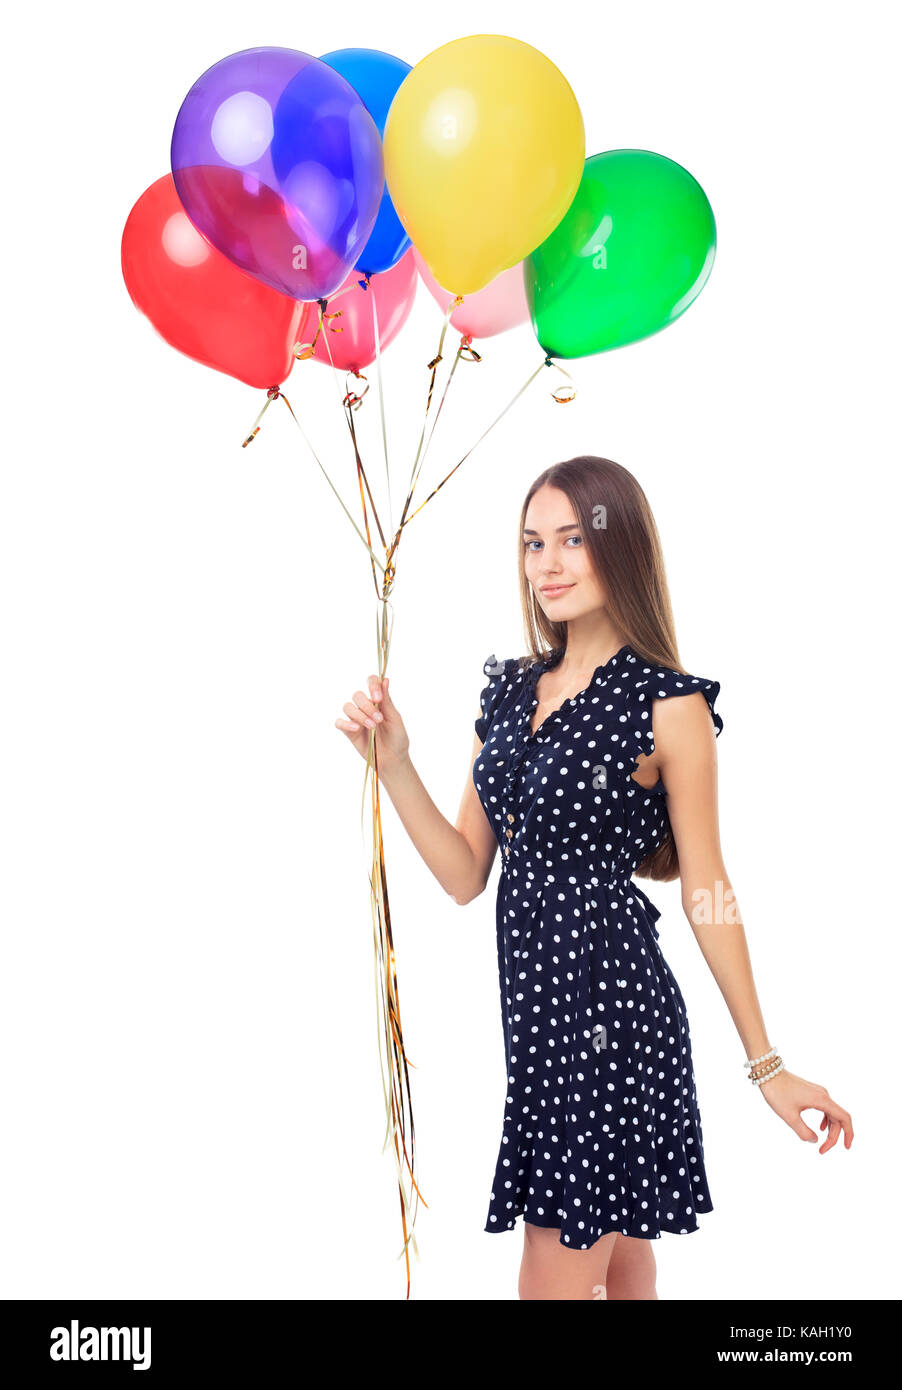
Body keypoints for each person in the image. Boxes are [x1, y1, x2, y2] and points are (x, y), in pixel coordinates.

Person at [335, 454, 853, 1300]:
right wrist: (394, 763)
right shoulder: (509, 692)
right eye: (534, 542)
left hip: (612, 1014)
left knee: (556, 1262)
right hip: (538, 1028)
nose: (548, 563)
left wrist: (767, 1064)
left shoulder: (669, 706)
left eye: (574, 539)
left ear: (623, 549)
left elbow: (707, 887)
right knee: (617, 1262)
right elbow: (466, 874)